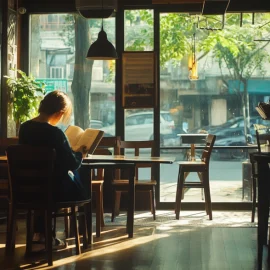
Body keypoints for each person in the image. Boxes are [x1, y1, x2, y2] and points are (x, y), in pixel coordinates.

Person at [19, 90, 88, 248]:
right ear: (59, 112)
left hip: (26, 188)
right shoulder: (55, 133)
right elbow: (71, 163)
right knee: (77, 181)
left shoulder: (24, 128)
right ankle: (81, 235)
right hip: (54, 190)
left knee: (44, 184)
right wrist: (80, 154)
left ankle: (41, 233)